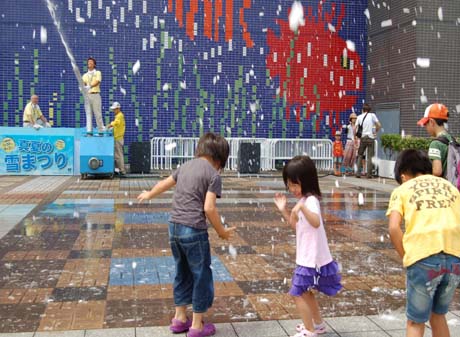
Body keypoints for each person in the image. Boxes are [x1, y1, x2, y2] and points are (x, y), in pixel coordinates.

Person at [137, 132, 236, 337]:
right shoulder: (213, 175)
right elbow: (209, 208)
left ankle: (180, 318)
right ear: (220, 158)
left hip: (173, 227)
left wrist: (149, 194)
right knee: (201, 275)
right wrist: (222, 232)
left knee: (182, 272)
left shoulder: (185, 166)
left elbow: (165, 183)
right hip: (194, 230)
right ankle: (197, 325)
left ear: (200, 150)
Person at [387, 149, 460, 337]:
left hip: (423, 258)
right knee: (438, 315)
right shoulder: (449, 187)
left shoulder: (403, 189)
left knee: (415, 322)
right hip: (454, 259)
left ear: (403, 176)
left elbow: (394, 228)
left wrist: (407, 257)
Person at [274, 156, 342, 337]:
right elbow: (295, 225)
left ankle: (309, 330)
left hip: (310, 257)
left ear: (307, 181)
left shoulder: (310, 201)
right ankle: (318, 325)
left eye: (295, 185)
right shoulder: (303, 200)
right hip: (308, 256)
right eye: (289, 185)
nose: (291, 189)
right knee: (306, 292)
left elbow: (316, 222)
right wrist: (284, 209)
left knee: (298, 293)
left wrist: (302, 208)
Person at [417, 103, 453, 177]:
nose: (425, 127)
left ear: (431, 122)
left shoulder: (435, 143)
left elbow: (437, 172)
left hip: (442, 185)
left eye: (425, 124)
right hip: (452, 184)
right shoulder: (451, 139)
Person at [355, 103, 381, 178]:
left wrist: (355, 137)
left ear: (363, 109)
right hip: (370, 138)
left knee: (360, 155)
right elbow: (379, 125)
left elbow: (355, 129)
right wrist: (375, 131)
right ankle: (369, 174)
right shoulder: (372, 115)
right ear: (369, 110)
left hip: (363, 138)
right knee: (370, 156)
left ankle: (358, 173)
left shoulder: (359, 117)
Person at [82, 57, 105, 133]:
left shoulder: (97, 73)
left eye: (91, 62)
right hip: (88, 96)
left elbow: (98, 81)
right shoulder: (85, 75)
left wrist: (90, 86)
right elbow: (83, 84)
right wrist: (82, 87)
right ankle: (89, 131)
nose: (89, 63)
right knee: (88, 114)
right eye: (88, 62)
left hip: (95, 95)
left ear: (94, 64)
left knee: (97, 113)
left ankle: (100, 130)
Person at [107, 102, 126, 176]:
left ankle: (122, 170)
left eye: (114, 109)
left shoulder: (119, 116)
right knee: (117, 155)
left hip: (118, 138)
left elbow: (116, 123)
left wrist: (110, 125)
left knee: (118, 155)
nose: (113, 111)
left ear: (118, 109)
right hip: (118, 138)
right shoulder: (119, 116)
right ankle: (118, 169)